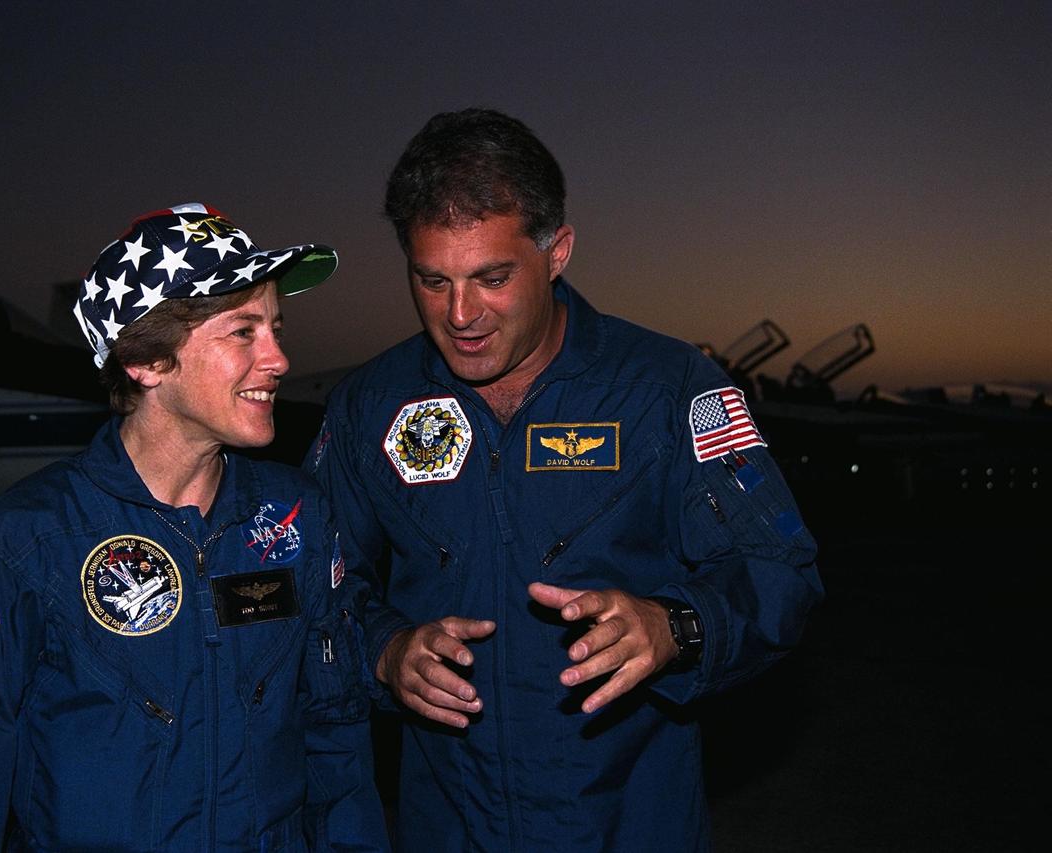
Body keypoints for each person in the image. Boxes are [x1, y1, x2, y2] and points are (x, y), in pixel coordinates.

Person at [307, 110, 824, 851]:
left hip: (627, 825)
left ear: (558, 252)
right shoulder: (369, 406)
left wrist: (674, 626)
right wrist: (385, 651)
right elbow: (311, 586)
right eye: (432, 280)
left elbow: (781, 571)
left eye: (491, 277)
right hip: (447, 828)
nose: (460, 315)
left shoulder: (668, 388)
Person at [0, 203, 389, 852]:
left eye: (275, 326)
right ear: (147, 361)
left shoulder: (295, 516)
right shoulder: (17, 547)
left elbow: (337, 737)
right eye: (243, 331)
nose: (278, 357)